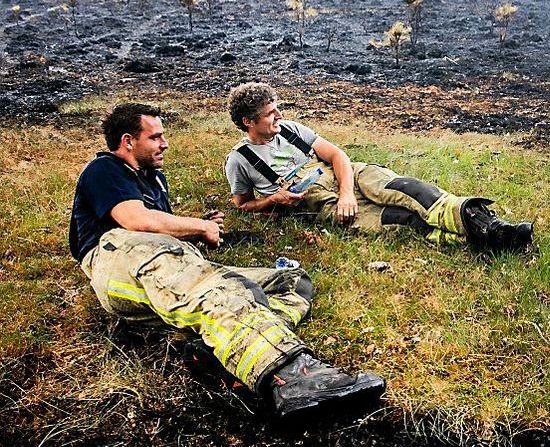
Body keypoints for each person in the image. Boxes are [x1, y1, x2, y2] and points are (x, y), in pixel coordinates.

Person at [70, 102, 385, 418]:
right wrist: (199, 226)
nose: (164, 144)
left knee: (290, 281)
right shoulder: (105, 169)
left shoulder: (154, 179)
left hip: (163, 260)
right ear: (127, 141)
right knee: (217, 289)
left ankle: (219, 353)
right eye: (155, 137)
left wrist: (199, 228)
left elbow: (160, 230)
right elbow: (136, 220)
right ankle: (290, 375)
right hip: (117, 256)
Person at [224, 82, 534, 252]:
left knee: (412, 191)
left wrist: (347, 191)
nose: (279, 116)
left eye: (278, 109)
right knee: (404, 220)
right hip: (322, 203)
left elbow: (338, 156)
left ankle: (494, 226)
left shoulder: (291, 128)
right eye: (270, 114)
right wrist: (274, 200)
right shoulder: (240, 160)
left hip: (350, 177)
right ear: (249, 122)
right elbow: (242, 205)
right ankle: (482, 240)